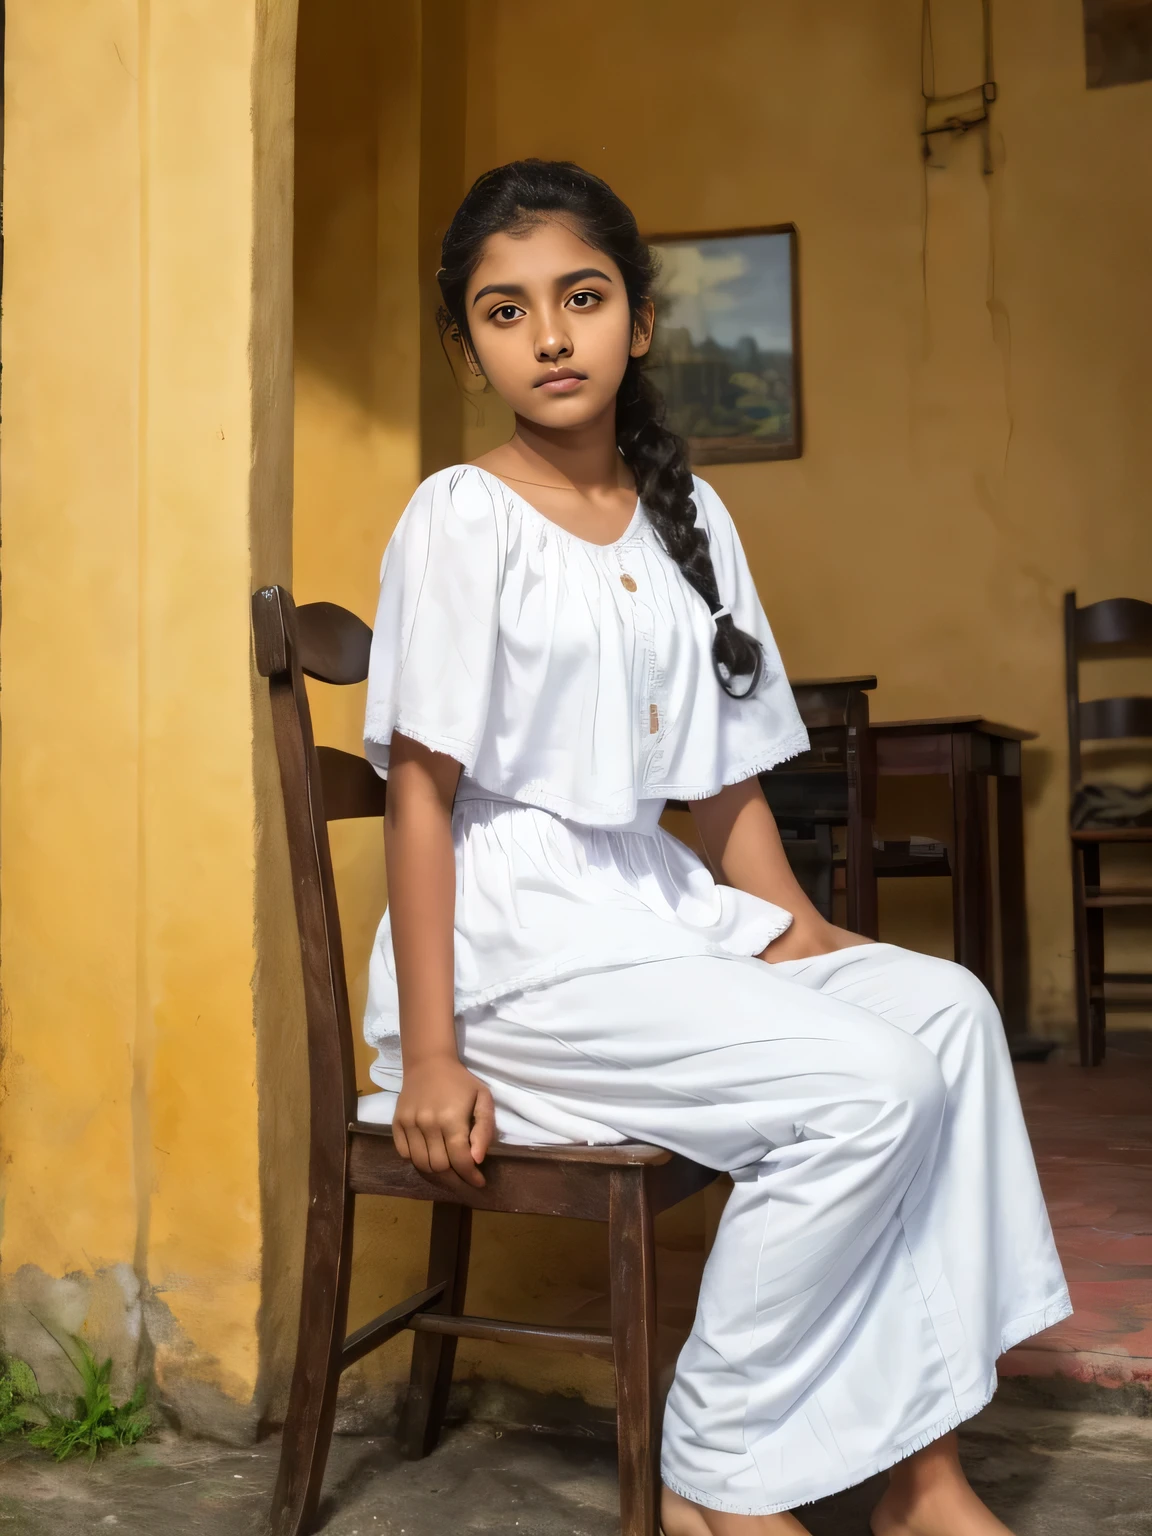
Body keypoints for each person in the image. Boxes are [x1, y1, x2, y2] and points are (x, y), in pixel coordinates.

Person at [359, 159, 1070, 1536]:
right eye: (506, 313)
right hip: (523, 953)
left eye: (582, 297)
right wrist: (432, 1053)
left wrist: (803, 932)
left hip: (656, 920)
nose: (550, 336)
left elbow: (721, 783)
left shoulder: (690, 519)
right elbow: (424, 797)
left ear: (637, 317)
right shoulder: (460, 515)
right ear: (470, 345)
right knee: (867, 1092)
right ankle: (717, 1477)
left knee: (950, 1015)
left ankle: (922, 1477)